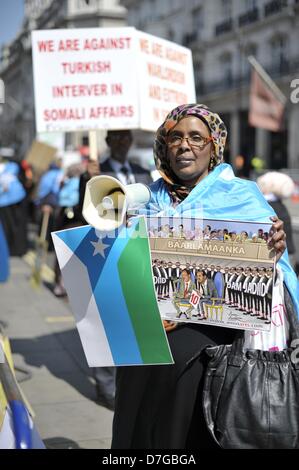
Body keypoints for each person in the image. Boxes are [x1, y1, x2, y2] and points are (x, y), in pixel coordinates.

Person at [111, 103, 298, 449]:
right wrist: (117, 233)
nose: (185, 146)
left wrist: (274, 247)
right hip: (147, 327)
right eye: (176, 137)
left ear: (214, 146)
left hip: (213, 337)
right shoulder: (146, 197)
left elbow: (277, 275)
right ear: (164, 146)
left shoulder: (242, 195)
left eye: (197, 138)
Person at [78, 129, 152, 411]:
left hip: (137, 253)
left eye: (126, 138)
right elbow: (81, 211)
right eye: (117, 138)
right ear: (107, 142)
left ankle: (130, 382)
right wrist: (88, 180)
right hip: (105, 252)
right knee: (104, 320)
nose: (123, 142)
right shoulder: (96, 173)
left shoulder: (143, 172)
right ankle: (107, 387)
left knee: (132, 321)